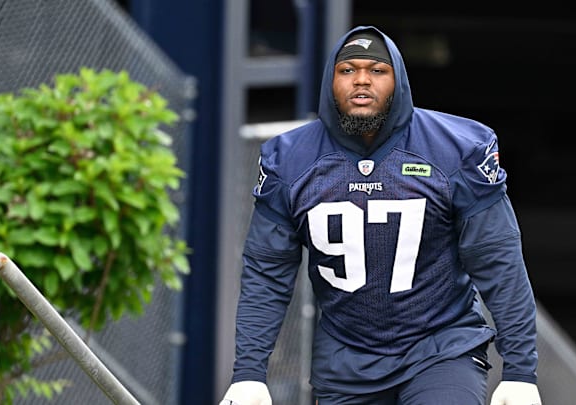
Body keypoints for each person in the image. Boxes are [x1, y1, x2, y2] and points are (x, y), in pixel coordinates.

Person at [219, 25, 542, 405]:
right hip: (346, 358)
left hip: (440, 348)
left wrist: (521, 371)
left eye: (376, 70)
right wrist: (249, 374)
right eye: (347, 70)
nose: (361, 81)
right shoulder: (290, 160)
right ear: (330, 81)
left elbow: (497, 258)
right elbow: (266, 272)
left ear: (398, 80)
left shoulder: (455, 149)